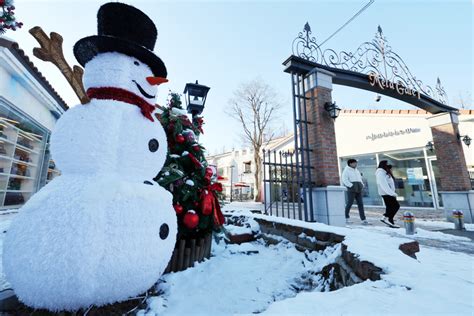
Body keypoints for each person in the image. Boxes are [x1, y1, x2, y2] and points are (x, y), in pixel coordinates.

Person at [342, 159, 368, 224]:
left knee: (360, 204)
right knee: (350, 203)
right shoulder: (346, 170)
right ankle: (346, 218)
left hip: (358, 188)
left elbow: (360, 178)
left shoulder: (357, 170)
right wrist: (351, 186)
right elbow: (344, 179)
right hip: (351, 189)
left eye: (356, 163)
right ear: (350, 163)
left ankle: (363, 219)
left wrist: (362, 185)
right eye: (354, 163)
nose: (355, 164)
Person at [376, 160, 400, 228]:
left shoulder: (385, 172)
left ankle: (389, 220)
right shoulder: (380, 173)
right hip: (386, 193)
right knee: (396, 206)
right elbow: (383, 185)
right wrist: (391, 193)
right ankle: (386, 218)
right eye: (387, 164)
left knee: (390, 207)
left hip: (388, 193)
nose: (388, 166)